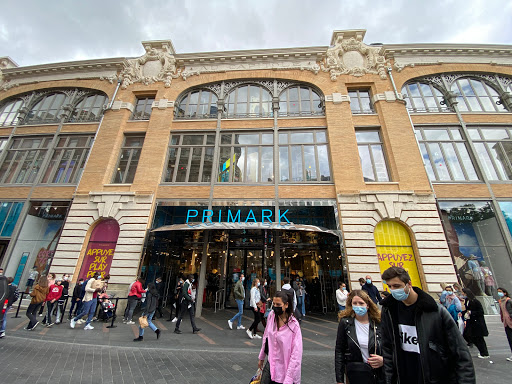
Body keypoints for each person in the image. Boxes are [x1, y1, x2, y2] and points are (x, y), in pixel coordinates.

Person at [380, 266, 475, 384]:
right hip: (404, 376)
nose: (393, 290)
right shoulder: (389, 311)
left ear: (408, 284)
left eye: (397, 286)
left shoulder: (436, 311)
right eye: (389, 287)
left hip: (432, 377)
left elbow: (460, 352)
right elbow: (388, 348)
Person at [335, 290, 384, 384]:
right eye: (355, 303)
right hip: (356, 373)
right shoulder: (345, 323)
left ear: (368, 305)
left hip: (378, 374)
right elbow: (339, 351)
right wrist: (339, 380)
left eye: (361, 303)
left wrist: (384, 360)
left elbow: (390, 347)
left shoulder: (379, 323)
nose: (358, 306)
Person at [258, 290, 302, 384]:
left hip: (286, 369)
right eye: (274, 304)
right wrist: (261, 357)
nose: (275, 307)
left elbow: (296, 355)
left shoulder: (294, 325)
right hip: (271, 364)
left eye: (278, 305)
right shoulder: (271, 316)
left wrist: (289, 378)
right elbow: (266, 336)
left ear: (286, 305)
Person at [462, 288, 489, 358]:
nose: (462, 294)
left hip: (477, 322)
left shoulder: (475, 301)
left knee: (479, 338)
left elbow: (481, 312)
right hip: (471, 321)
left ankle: (484, 353)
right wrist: (463, 313)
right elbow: (467, 309)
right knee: (468, 335)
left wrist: (471, 313)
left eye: (463, 293)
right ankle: (482, 351)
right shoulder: (467, 301)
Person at [497, 287, 512, 362]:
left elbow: (510, 311)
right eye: (498, 292)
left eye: (500, 292)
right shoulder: (500, 301)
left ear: (505, 293)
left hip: (510, 321)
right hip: (506, 322)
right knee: (510, 339)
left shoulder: (508, 301)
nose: (499, 293)